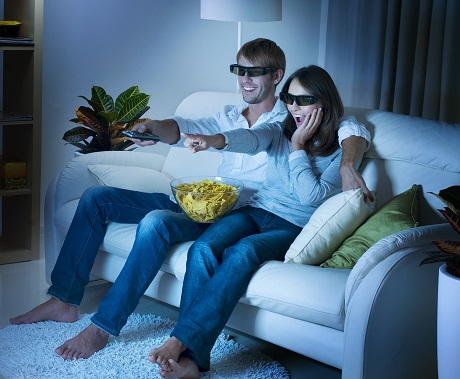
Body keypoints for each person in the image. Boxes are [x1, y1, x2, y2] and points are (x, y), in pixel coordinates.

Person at [10, 39, 370, 360]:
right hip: (199, 200)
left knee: (156, 224)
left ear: (276, 76)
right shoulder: (235, 114)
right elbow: (182, 126)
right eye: (239, 70)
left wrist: (349, 164)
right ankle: (63, 299)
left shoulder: (285, 120)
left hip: (235, 208)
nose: (245, 79)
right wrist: (157, 129)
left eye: (254, 72)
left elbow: (348, 127)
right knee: (96, 199)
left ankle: (112, 329)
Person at [150, 65, 347, 378]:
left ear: (323, 102)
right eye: (289, 98)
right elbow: (251, 139)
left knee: (243, 251)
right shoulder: (278, 129)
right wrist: (215, 140)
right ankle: (192, 360)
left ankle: (181, 343)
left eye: (304, 99)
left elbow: (311, 196)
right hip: (257, 210)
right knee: (203, 248)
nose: (294, 107)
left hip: (292, 226)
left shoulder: (341, 147)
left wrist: (298, 146)